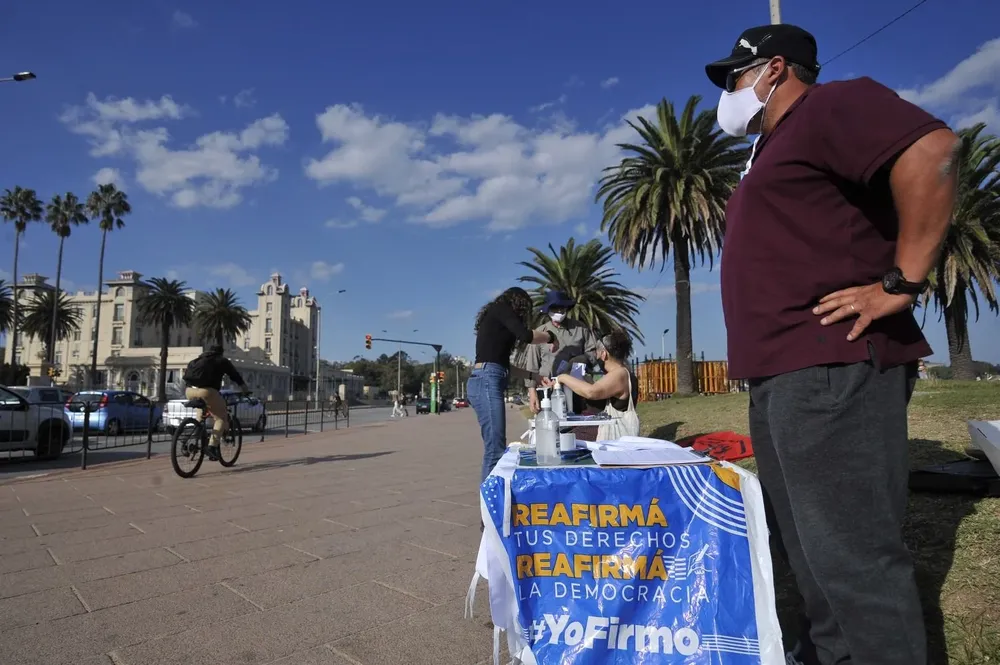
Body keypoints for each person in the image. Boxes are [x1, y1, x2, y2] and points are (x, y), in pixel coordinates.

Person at [705, 24, 958, 665]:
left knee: (851, 557)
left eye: (734, 75)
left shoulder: (831, 106)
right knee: (808, 551)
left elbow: (934, 152)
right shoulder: (771, 147)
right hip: (782, 374)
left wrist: (899, 283)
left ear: (776, 69)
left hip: (830, 364)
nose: (729, 92)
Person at [468, 287, 557, 483]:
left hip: (488, 378)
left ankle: (495, 500)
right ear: (519, 304)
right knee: (495, 449)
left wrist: (533, 375)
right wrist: (550, 337)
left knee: (496, 446)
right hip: (486, 380)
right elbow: (526, 335)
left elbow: (501, 364)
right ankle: (491, 507)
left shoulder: (496, 322)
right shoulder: (501, 308)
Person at [542, 329, 639, 440]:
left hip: (615, 438)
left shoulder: (619, 374)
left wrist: (562, 377)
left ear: (603, 354)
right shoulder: (622, 372)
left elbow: (591, 392)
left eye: (596, 352)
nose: (596, 357)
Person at [519, 290, 599, 414]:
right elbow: (532, 366)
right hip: (548, 389)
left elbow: (593, 353)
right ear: (548, 310)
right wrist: (532, 393)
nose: (559, 312)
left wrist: (578, 365)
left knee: (576, 425)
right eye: (555, 308)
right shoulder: (540, 333)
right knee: (551, 427)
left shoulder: (580, 329)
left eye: (562, 308)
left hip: (577, 388)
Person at [182, 345, 251, 461]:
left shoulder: (197, 360)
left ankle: (193, 437)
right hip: (207, 392)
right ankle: (212, 446)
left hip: (190, 391)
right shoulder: (221, 361)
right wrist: (244, 388)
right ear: (221, 352)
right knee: (221, 418)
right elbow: (235, 375)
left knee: (201, 416)